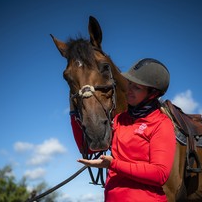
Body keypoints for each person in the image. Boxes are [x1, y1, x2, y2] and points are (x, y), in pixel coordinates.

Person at [74, 58, 176, 202]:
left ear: (152, 94)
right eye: (130, 84)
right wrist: (74, 110)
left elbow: (160, 174)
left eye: (137, 87)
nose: (129, 90)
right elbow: (89, 148)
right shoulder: (120, 119)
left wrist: (113, 164)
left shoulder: (161, 124)